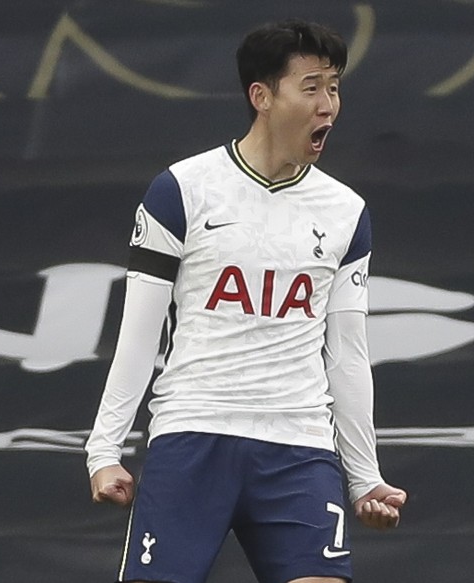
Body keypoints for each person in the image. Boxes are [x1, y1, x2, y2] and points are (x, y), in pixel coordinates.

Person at [86, 18, 407, 583]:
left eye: (333, 87)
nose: (328, 104)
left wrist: (365, 478)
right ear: (262, 96)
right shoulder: (181, 190)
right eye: (310, 87)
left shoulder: (345, 212)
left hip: (299, 447)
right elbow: (138, 334)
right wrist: (103, 450)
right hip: (193, 434)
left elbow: (349, 355)